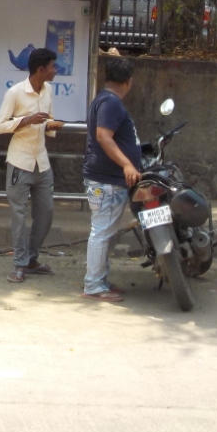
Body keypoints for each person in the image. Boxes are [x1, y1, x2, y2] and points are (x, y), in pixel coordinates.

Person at [0, 48, 64, 284]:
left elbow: (47, 120)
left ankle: (32, 259)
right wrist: (26, 120)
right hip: (19, 161)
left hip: (41, 162)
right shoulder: (15, 93)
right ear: (41, 69)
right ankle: (20, 264)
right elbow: (0, 126)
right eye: (53, 67)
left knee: (46, 214)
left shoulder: (49, 90)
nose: (56, 71)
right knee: (19, 215)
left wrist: (52, 125)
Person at [81, 57, 142, 302]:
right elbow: (104, 137)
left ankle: (100, 279)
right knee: (102, 232)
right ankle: (94, 285)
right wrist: (127, 163)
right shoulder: (111, 103)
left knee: (105, 232)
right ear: (129, 82)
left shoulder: (104, 99)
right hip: (107, 181)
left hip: (105, 180)